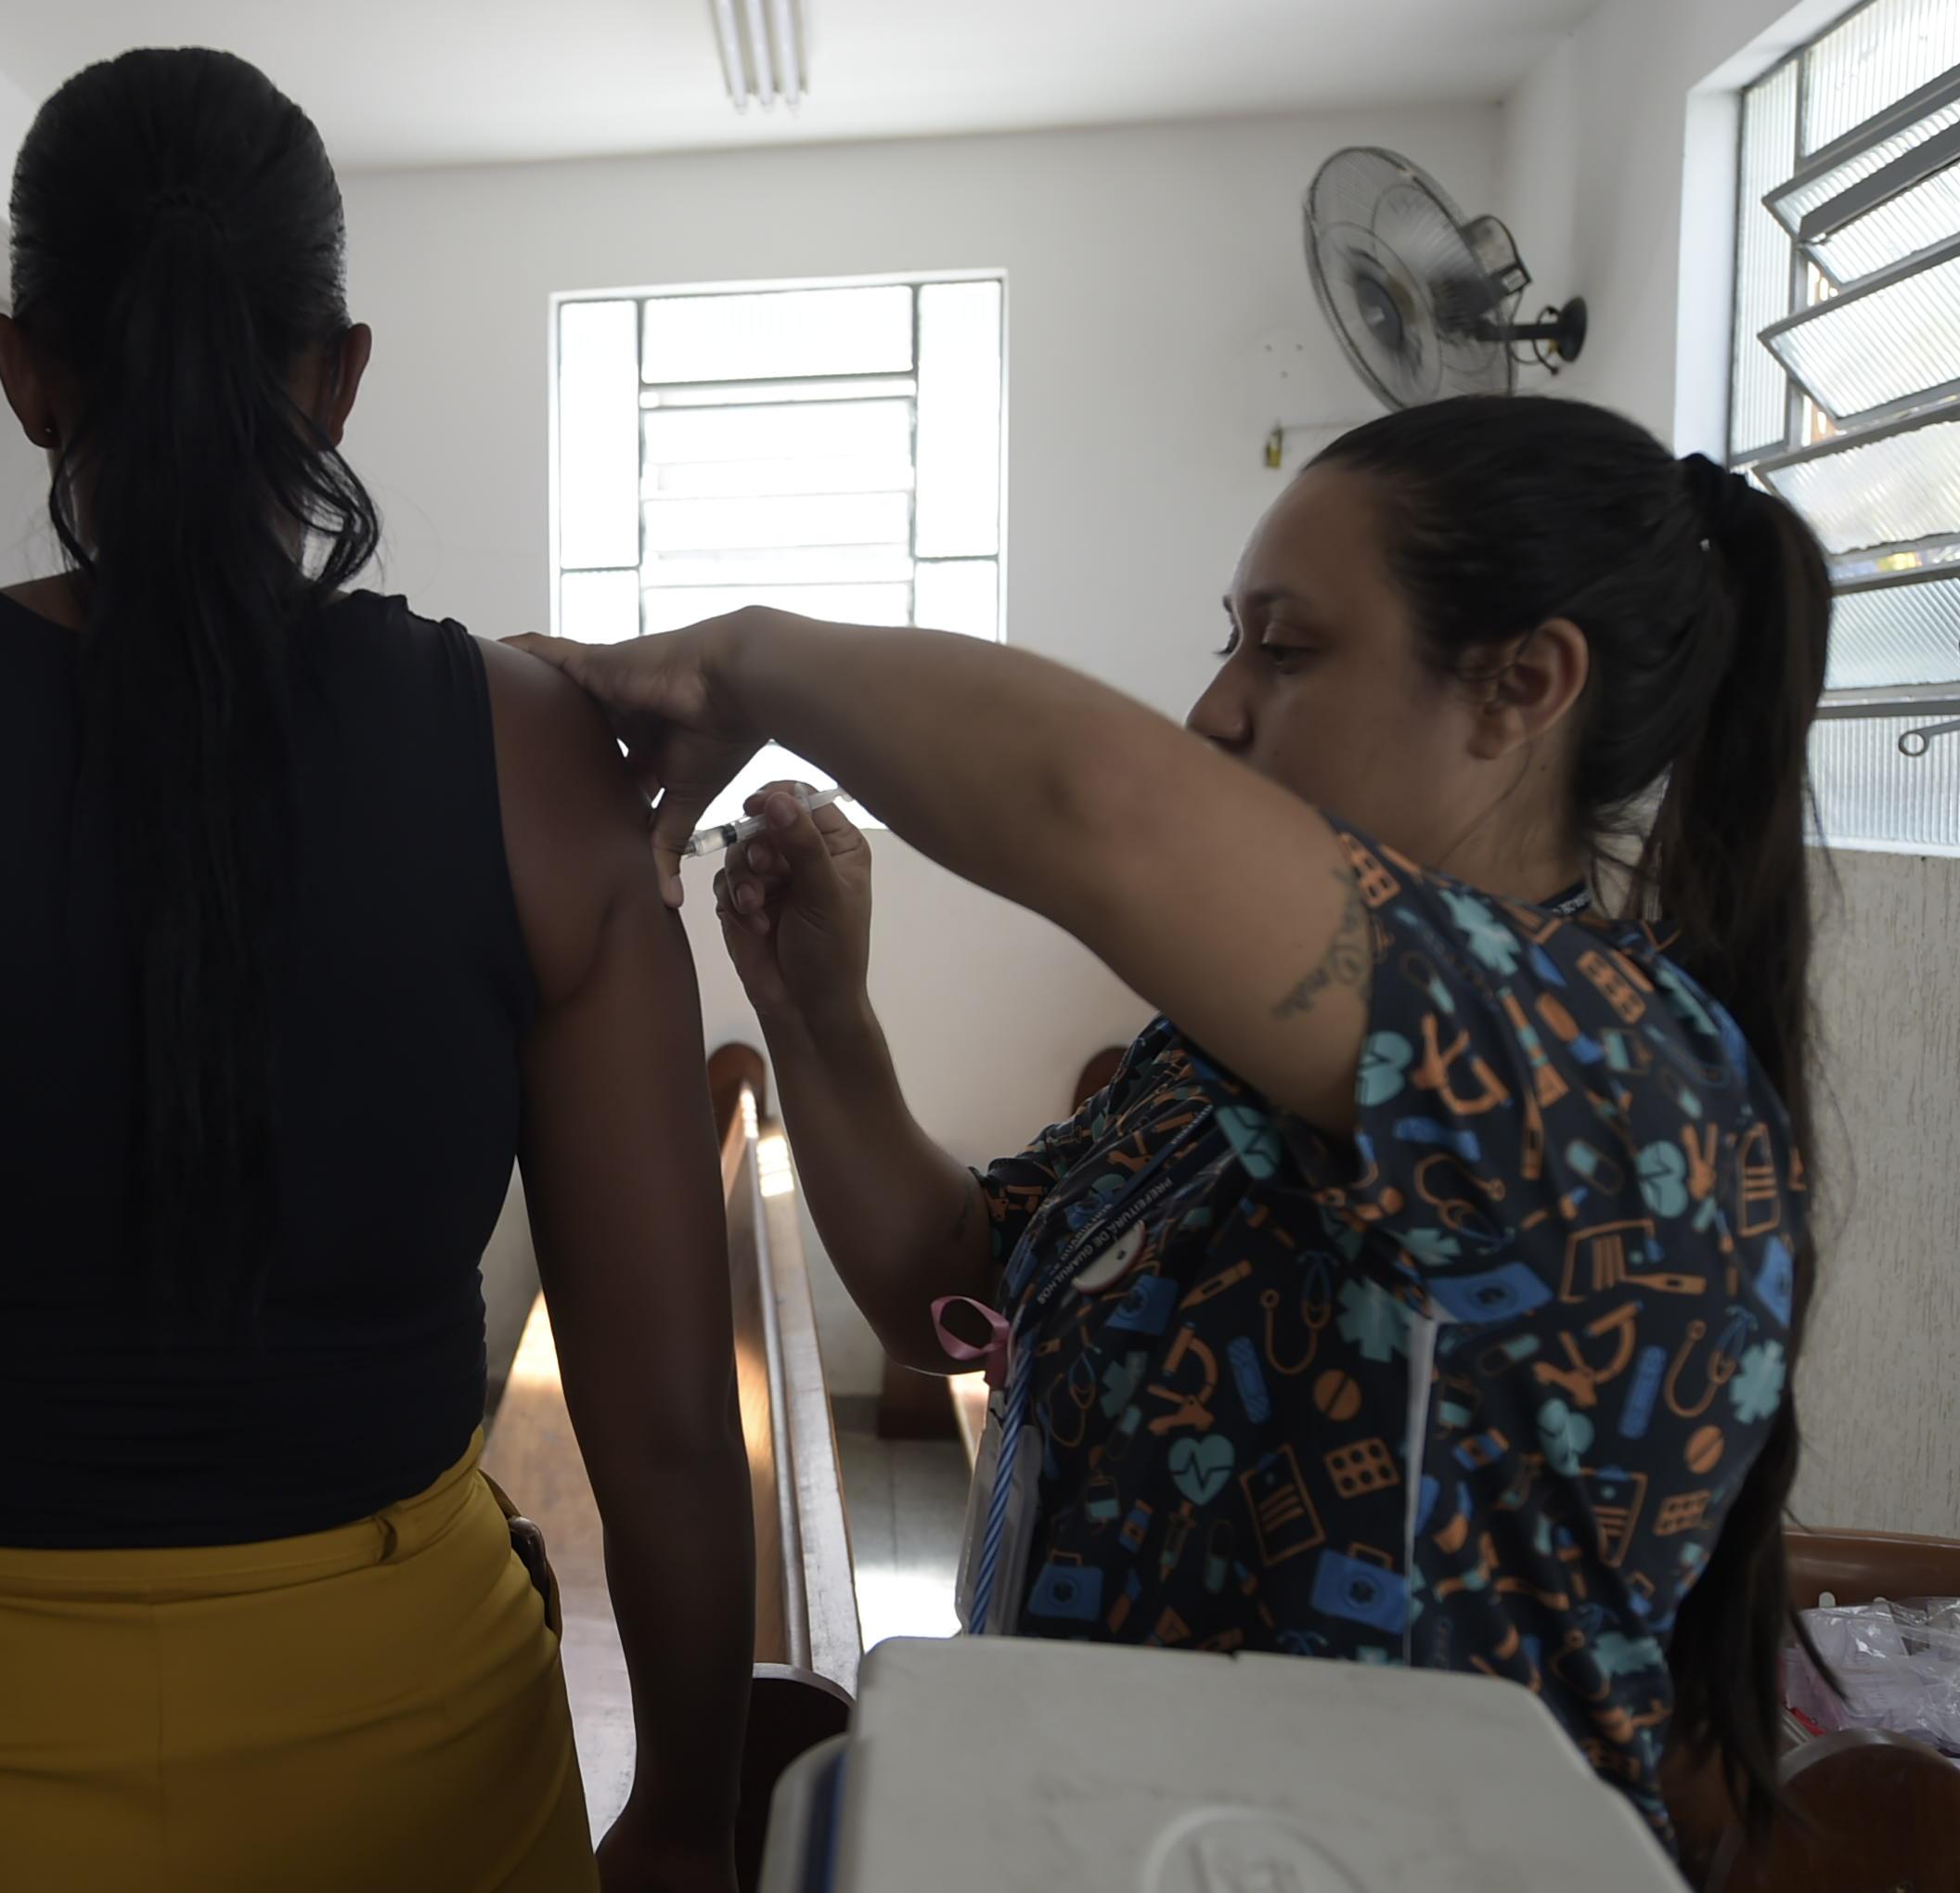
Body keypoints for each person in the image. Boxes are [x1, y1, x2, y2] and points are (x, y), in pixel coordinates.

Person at [0, 48, 750, 1893]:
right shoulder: (532, 761)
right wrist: (689, 1812)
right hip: (424, 1768)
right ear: (341, 375)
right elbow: (675, 1435)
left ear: (26, 373)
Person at [512, 394, 1827, 1861]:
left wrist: (742, 657)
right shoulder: (1226, 1062)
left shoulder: (1603, 1066)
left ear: (1521, 687)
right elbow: (948, 1291)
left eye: (1288, 649)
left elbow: (1100, 807)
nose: (1217, 708)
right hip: (1118, 1833)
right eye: (1230, 640)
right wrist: (821, 1018)